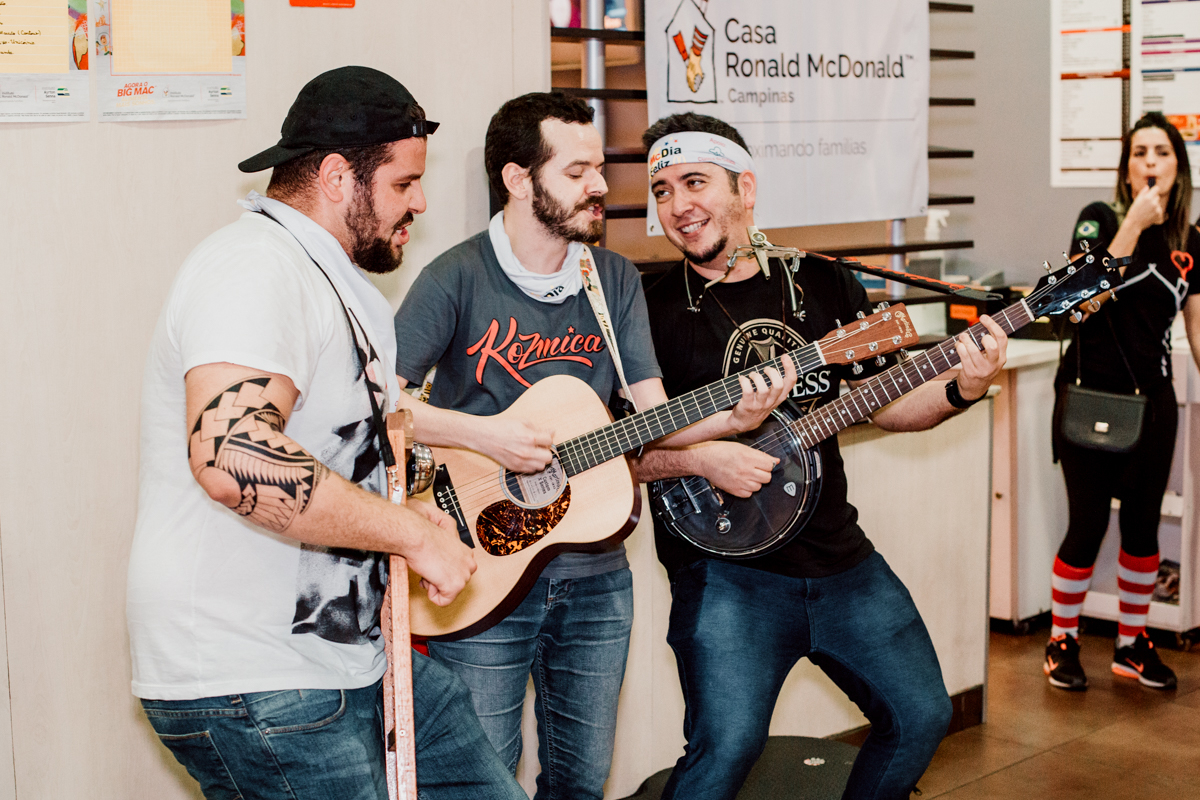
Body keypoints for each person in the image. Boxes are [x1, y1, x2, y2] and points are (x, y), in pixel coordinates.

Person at [126, 66, 529, 800]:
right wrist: (407, 534)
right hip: (254, 677)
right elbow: (232, 455)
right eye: (405, 184)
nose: (422, 203)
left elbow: (356, 436)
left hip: (350, 661)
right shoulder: (252, 268)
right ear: (340, 177)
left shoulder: (340, 285)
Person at [392, 93, 794, 800]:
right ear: (520, 180)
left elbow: (653, 416)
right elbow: (378, 406)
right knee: (483, 781)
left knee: (581, 780)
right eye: (578, 171)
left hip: (595, 574)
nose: (602, 187)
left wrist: (733, 418)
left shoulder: (609, 281)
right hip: (479, 566)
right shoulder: (454, 277)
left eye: (600, 168)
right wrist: (486, 436)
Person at [633, 112, 1009, 800]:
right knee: (724, 754)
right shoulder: (647, 306)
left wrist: (963, 385)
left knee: (921, 716)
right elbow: (618, 455)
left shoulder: (824, 285)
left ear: (745, 188)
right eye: (661, 190)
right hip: (725, 575)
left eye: (694, 182)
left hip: (840, 561)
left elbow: (889, 405)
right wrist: (704, 459)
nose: (677, 206)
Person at [1044, 112, 1200, 691]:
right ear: (1126, 164)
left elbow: (1197, 327)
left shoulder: (1190, 242)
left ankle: (1132, 645)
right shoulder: (1099, 220)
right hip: (1087, 394)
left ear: (1178, 165)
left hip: (1154, 402)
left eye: (1161, 151)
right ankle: (1063, 639)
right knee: (1085, 526)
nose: (1150, 162)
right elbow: (1076, 299)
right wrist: (1131, 224)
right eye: (1139, 152)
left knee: (1142, 532)